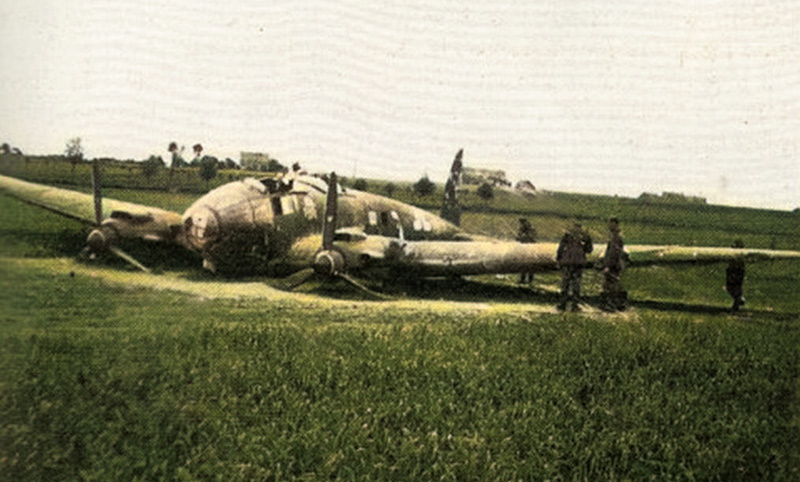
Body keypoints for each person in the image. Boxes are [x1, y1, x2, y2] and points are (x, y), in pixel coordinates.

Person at [556, 222, 593, 311]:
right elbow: (589, 249)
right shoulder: (585, 236)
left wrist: (559, 259)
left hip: (568, 262)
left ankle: (563, 303)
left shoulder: (568, 235)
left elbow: (561, 248)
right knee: (575, 284)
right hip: (577, 263)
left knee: (566, 283)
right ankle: (574, 304)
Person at [599, 217, 629, 311]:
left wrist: (608, 265)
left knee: (611, 285)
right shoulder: (615, 236)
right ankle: (619, 304)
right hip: (615, 264)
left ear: (616, 225)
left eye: (611, 224)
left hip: (614, 265)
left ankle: (612, 305)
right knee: (614, 284)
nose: (609, 226)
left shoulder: (616, 237)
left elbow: (613, 253)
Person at [726, 239, 746, 311]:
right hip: (734, 271)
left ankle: (737, 302)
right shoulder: (739, 254)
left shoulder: (740, 254)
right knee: (731, 288)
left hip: (736, 271)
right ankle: (738, 300)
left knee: (734, 288)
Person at [516, 217, 537, 283]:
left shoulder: (530, 230)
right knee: (524, 265)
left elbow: (531, 238)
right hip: (525, 249)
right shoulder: (524, 229)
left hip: (529, 249)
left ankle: (529, 279)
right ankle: (524, 279)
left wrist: (522, 237)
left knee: (529, 265)